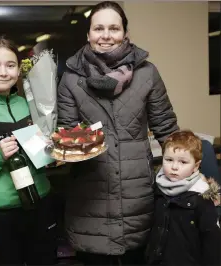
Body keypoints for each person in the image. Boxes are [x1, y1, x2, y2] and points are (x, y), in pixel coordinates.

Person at [57, 1, 179, 265]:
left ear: (125, 32)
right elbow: (66, 132)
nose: (106, 35)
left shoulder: (147, 73)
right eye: (98, 28)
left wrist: (188, 172)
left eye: (114, 28)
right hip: (90, 197)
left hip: (138, 194)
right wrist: (66, 145)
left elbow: (167, 129)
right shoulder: (70, 78)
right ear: (88, 34)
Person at [0, 37, 57, 265]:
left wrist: (54, 152)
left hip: (41, 202)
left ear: (19, 71)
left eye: (10, 65)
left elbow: (43, 155)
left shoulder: (32, 105)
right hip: (1, 213)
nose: (3, 72)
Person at [146, 130, 221, 266]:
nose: (174, 167)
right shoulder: (157, 189)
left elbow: (212, 243)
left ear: (196, 166)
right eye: (169, 160)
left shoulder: (201, 198)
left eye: (183, 162)